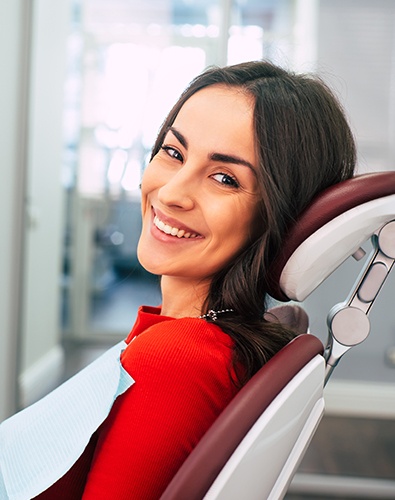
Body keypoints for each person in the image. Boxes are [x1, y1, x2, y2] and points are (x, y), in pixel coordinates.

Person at [0, 60, 356, 499]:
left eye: (225, 178)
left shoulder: (178, 359)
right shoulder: (192, 341)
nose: (170, 193)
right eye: (173, 153)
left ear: (280, 215)